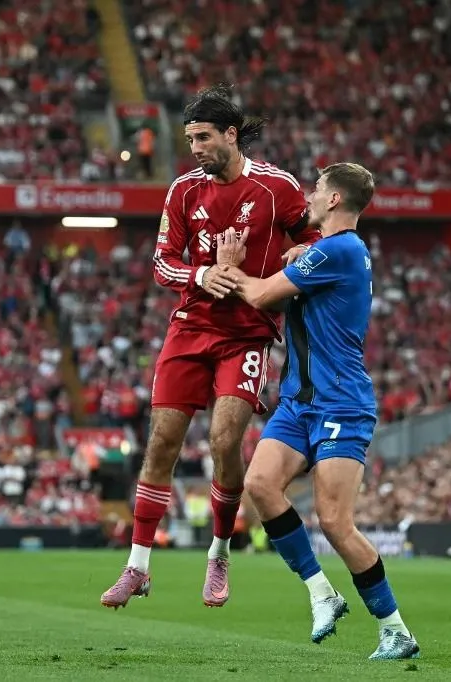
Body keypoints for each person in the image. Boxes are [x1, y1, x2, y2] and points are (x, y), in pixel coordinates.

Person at [100, 84, 320, 609]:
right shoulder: (182, 191)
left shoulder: (276, 188)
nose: (195, 148)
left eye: (203, 137)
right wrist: (204, 274)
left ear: (230, 133)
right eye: (189, 138)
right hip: (190, 329)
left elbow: (312, 244)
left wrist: (289, 265)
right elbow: (161, 264)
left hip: (246, 334)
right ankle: (137, 567)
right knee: (161, 445)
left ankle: (219, 552)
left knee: (224, 443)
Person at [213, 163, 420, 660]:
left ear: (333, 201)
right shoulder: (329, 252)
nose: (309, 193)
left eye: (318, 188)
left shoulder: (341, 248)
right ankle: (322, 592)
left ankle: (394, 629)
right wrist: (294, 257)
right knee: (260, 484)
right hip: (299, 402)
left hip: (341, 402)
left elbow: (262, 294)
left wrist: (228, 269)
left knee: (334, 522)